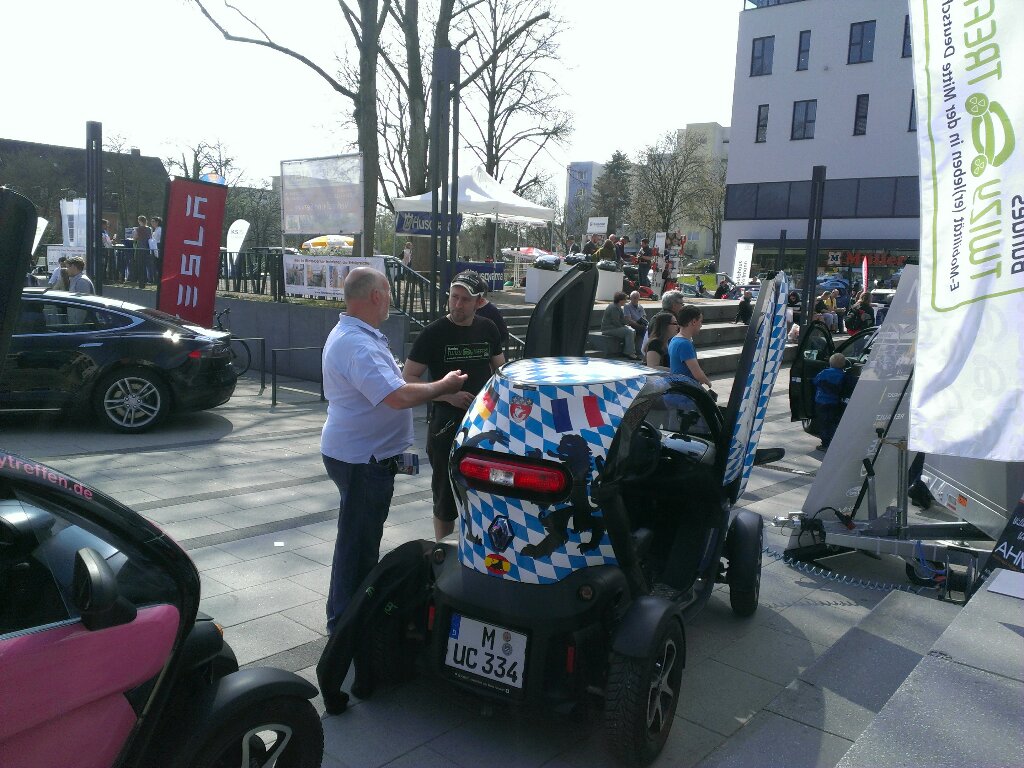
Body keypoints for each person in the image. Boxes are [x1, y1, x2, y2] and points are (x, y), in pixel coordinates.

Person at [321, 267, 467, 632]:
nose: (391, 299)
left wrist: (440, 393)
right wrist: (443, 385)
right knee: (358, 546)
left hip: (364, 455)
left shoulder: (360, 336)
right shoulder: (357, 344)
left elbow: (394, 386)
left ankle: (348, 615)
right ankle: (346, 625)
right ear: (376, 295)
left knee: (358, 539)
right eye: (388, 292)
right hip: (361, 459)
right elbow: (397, 396)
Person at [403, 270, 505, 541]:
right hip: (446, 424)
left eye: (465, 299)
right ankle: (443, 548)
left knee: (486, 490)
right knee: (445, 494)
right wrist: (447, 395)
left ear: (479, 302)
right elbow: (408, 379)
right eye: (453, 297)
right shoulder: (433, 333)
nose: (457, 304)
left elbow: (501, 370)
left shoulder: (488, 328)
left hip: (483, 422)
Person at [669, 305, 713, 390]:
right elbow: (697, 374)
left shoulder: (674, 339)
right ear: (694, 322)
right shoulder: (684, 344)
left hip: (677, 386)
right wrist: (708, 382)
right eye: (700, 321)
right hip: (685, 389)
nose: (701, 325)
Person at [812, 353, 849, 452]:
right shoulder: (843, 375)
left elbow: (815, 381)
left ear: (830, 363)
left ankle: (825, 444)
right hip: (834, 402)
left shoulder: (825, 372)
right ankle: (834, 440)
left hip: (821, 402)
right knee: (832, 422)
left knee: (823, 423)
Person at [601, 291, 640, 359]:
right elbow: (615, 322)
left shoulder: (618, 306)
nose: (626, 301)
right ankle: (630, 353)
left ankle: (626, 351)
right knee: (629, 332)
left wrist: (627, 322)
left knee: (632, 330)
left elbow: (622, 320)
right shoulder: (613, 307)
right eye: (625, 299)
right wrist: (624, 327)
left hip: (614, 327)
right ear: (621, 300)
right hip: (608, 329)